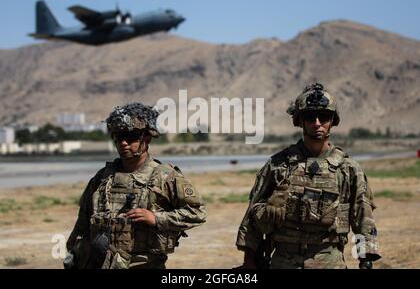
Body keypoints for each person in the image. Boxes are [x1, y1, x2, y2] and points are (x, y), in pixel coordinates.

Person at [236, 83, 381, 269]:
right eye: (310, 117)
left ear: (333, 121)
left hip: (329, 261)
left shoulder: (348, 169)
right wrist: (249, 260)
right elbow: (251, 216)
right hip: (283, 261)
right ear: (300, 121)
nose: (317, 123)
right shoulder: (278, 165)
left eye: (325, 117)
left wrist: (366, 260)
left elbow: (363, 218)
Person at [65, 102, 207, 269]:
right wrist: (74, 253)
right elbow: (83, 222)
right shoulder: (103, 177)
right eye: (118, 137)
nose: (124, 143)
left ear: (146, 138)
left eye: (131, 137)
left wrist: (156, 219)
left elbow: (197, 212)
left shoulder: (164, 176)